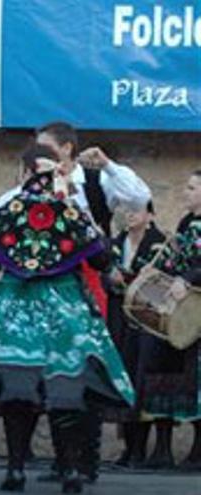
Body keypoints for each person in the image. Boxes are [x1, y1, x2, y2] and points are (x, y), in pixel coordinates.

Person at [0, 144, 134, 493]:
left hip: (15, 309)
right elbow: (100, 259)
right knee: (67, 387)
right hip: (64, 311)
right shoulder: (69, 211)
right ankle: (70, 472)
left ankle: (15, 470)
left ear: (25, 174)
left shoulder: (11, 209)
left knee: (17, 390)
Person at [101, 201, 166, 468]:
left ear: (150, 215)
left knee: (141, 381)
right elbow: (104, 271)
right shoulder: (117, 243)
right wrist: (111, 278)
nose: (129, 216)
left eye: (136, 210)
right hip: (119, 316)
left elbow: (161, 280)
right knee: (122, 378)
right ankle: (128, 447)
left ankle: (140, 447)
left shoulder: (159, 244)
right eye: (126, 211)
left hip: (145, 318)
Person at [146, 170, 201, 471]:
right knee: (164, 374)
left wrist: (190, 278)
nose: (186, 192)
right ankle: (163, 449)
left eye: (192, 188)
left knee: (197, 381)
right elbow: (176, 259)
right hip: (175, 309)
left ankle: (198, 452)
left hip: (197, 310)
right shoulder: (184, 223)